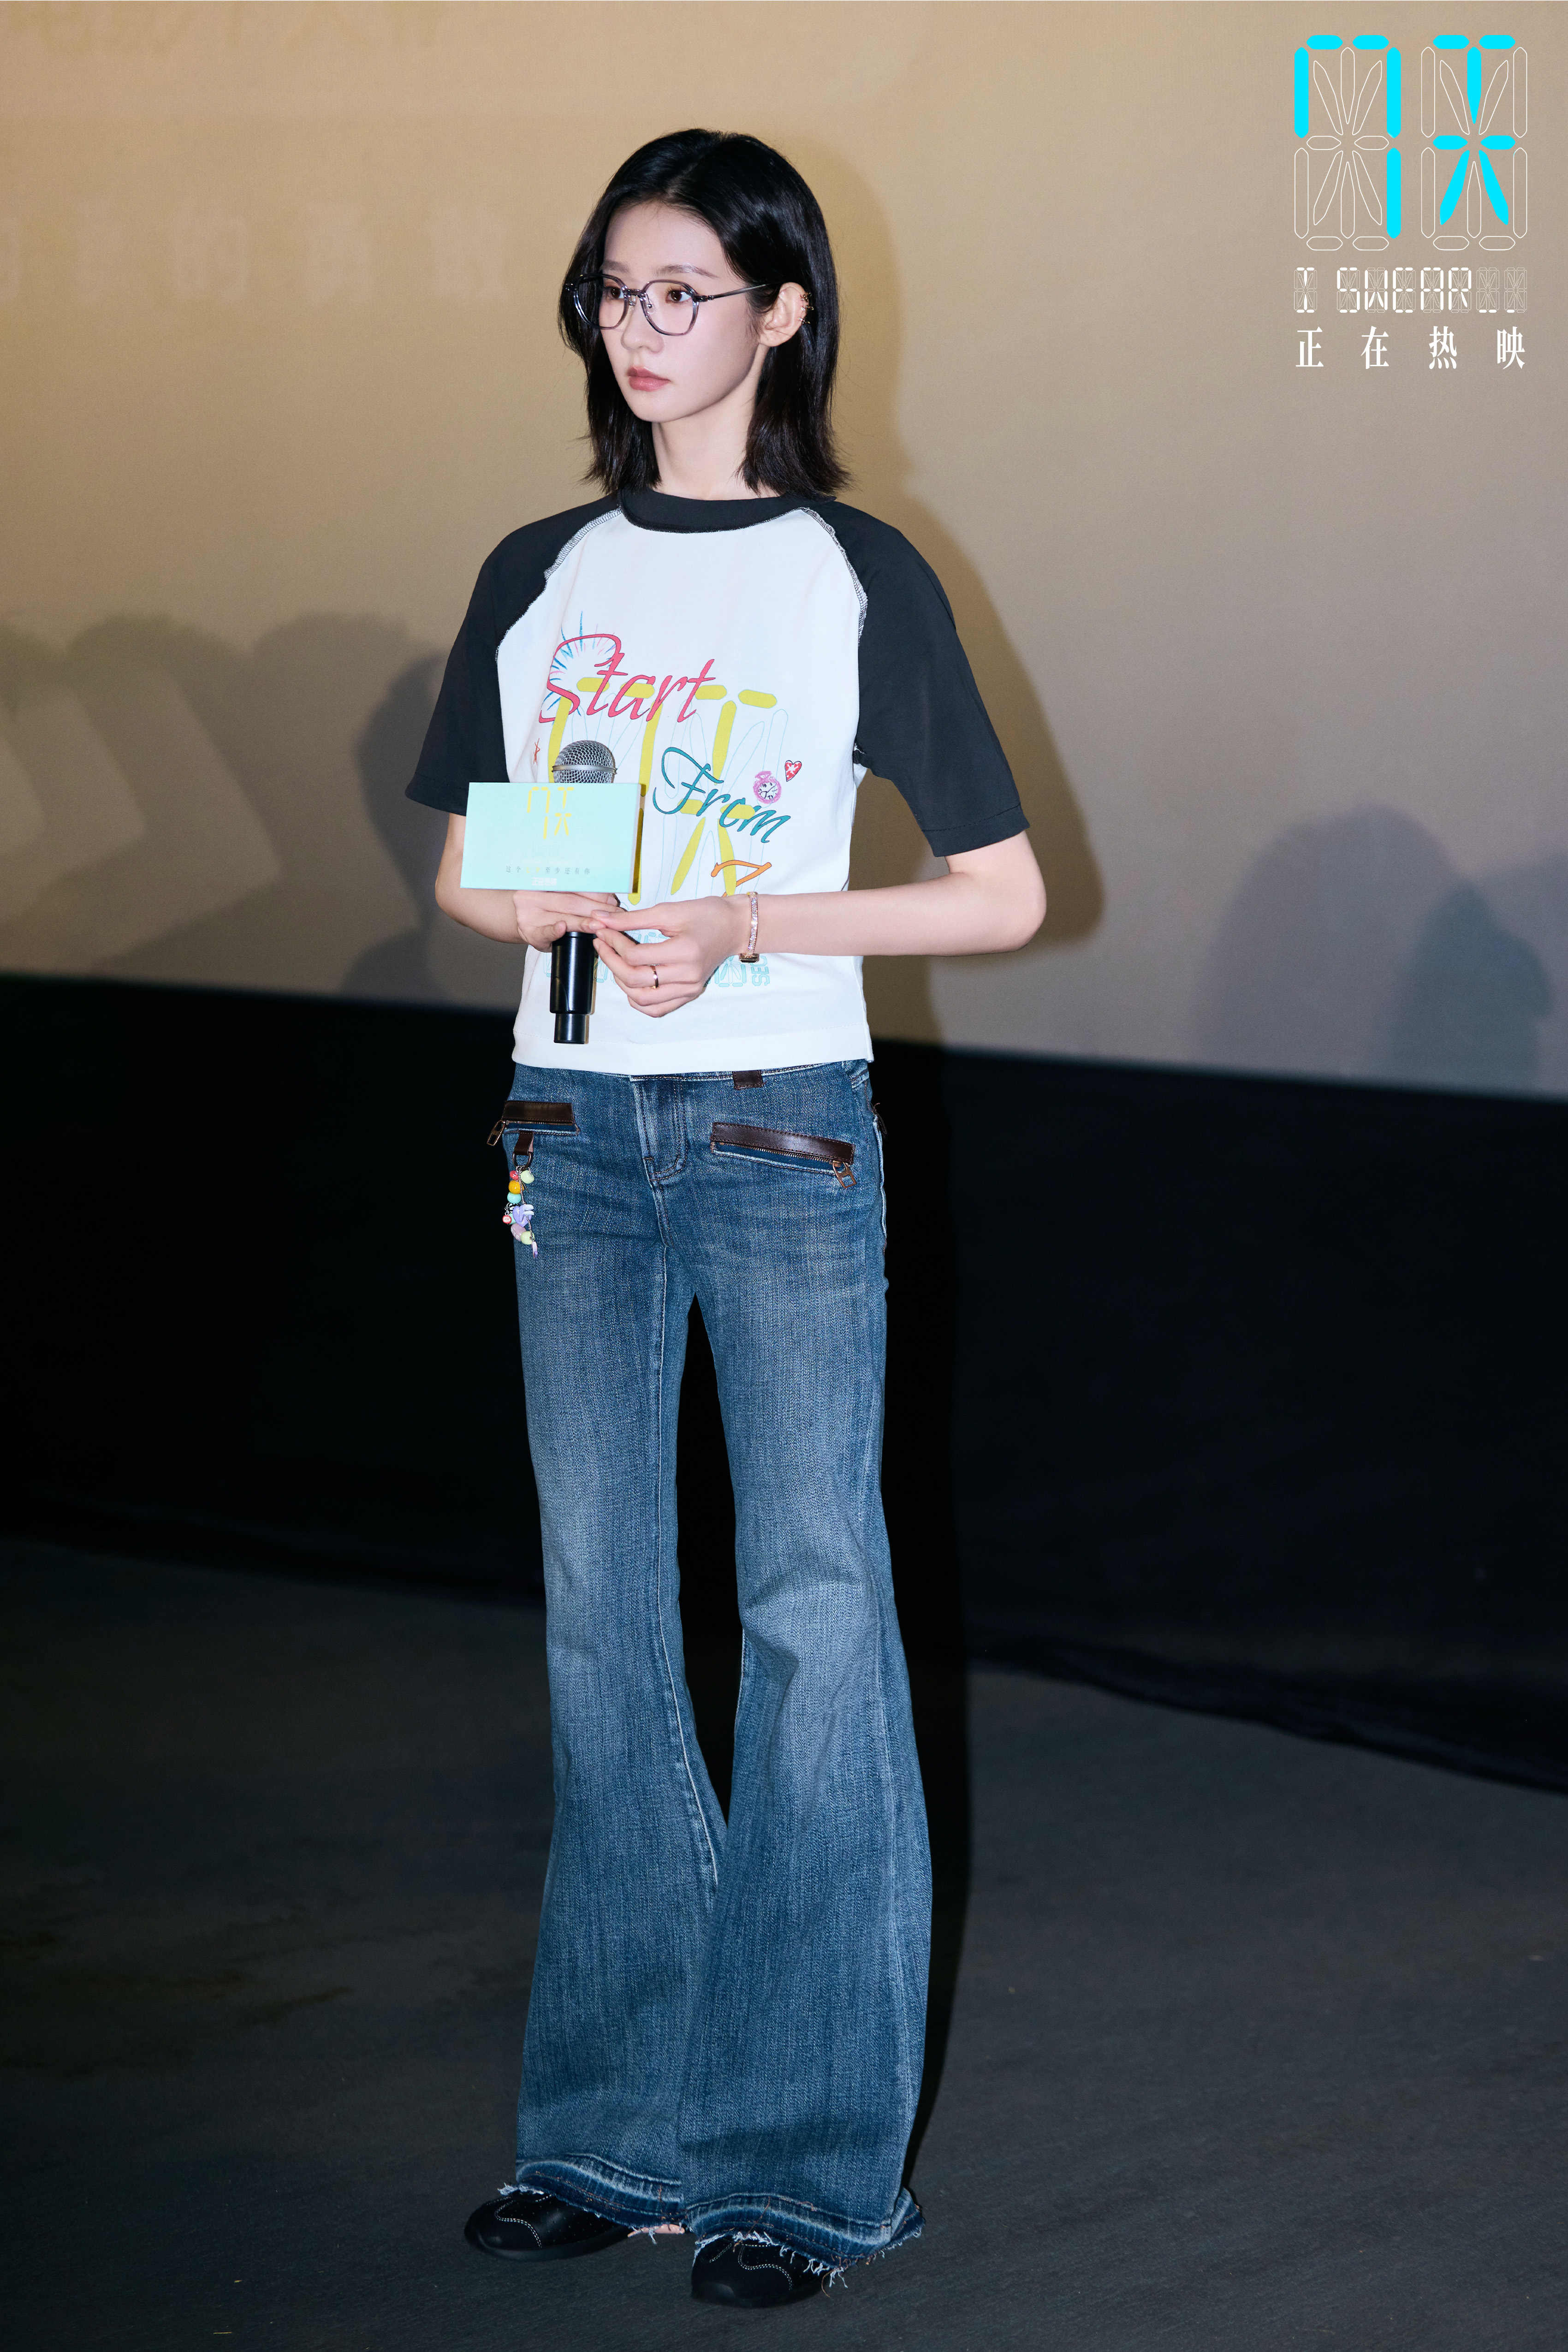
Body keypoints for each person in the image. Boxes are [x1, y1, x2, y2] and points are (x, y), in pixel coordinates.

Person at [406, 127, 1045, 2310]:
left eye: (683, 289)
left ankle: (802, 2168)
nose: (639, 325)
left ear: (780, 313)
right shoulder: (542, 569)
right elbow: (472, 870)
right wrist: (550, 899)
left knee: (809, 1611)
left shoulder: (851, 570)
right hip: (570, 1124)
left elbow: (1000, 892)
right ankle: (609, 2134)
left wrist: (748, 918)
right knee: (600, 1614)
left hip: (779, 1123)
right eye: (614, 288)